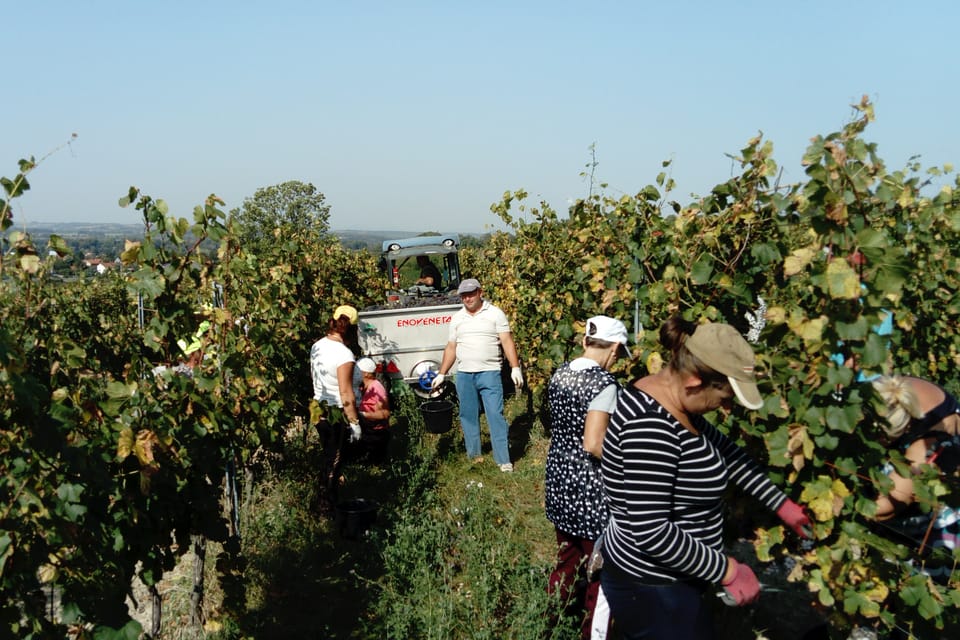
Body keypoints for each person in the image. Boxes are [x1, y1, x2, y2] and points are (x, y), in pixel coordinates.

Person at [599, 316, 811, 639]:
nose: (726, 409)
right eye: (725, 398)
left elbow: (729, 456)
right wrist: (727, 570)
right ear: (695, 381)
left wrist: (783, 505)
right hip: (653, 588)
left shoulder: (676, 405)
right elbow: (651, 531)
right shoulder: (651, 428)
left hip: (676, 580)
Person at [545, 315, 630, 640]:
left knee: (566, 559)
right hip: (590, 492)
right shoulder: (604, 385)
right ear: (615, 349)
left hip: (559, 478)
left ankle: (551, 619)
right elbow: (594, 443)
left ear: (585, 342)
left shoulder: (561, 373)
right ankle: (592, 633)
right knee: (601, 571)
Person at [431, 278, 523, 472]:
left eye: (471, 294)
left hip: (490, 373)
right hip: (464, 374)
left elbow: (507, 341)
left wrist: (515, 367)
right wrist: (442, 373)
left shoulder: (495, 314)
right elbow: (451, 347)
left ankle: (503, 460)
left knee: (495, 415)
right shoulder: (457, 318)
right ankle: (474, 456)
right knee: (468, 415)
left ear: (480, 292)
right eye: (464, 295)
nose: (468, 298)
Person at [868, 376, 960, 549]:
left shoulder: (926, 447)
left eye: (879, 438)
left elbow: (884, 507)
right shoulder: (890, 390)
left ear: (905, 427)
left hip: (940, 529)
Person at [309, 304, 363, 514]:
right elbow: (345, 393)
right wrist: (354, 422)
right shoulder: (344, 354)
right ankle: (326, 506)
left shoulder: (318, 346)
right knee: (334, 459)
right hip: (334, 411)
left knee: (327, 455)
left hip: (317, 408)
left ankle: (329, 500)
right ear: (352, 329)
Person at [355, 356, 392, 464]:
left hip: (376, 434)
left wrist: (363, 415)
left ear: (366, 373)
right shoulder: (362, 387)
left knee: (374, 463)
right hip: (367, 431)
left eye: (358, 371)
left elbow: (385, 414)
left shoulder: (377, 389)